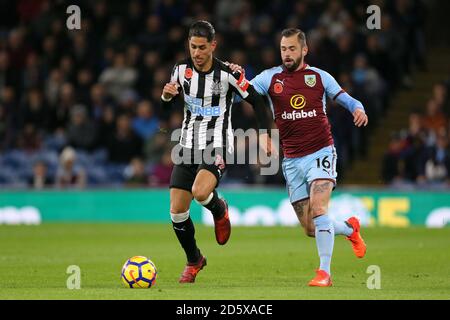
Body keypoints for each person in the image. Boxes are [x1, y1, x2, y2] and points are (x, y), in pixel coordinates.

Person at [229, 28, 368, 287]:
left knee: (319, 209)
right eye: (283, 49)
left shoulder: (319, 77)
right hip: (292, 160)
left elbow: (348, 100)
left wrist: (358, 109)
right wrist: (235, 79)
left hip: (321, 151)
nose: (287, 54)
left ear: (304, 50)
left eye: (292, 48)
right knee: (310, 228)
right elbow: (240, 97)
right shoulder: (269, 78)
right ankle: (350, 229)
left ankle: (324, 273)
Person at [161, 20, 273, 283]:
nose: (197, 53)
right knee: (177, 213)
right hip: (187, 145)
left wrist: (265, 133)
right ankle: (194, 260)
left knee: (200, 192)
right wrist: (166, 97)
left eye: (202, 47)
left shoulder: (228, 75)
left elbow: (256, 100)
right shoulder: (180, 71)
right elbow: (167, 106)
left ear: (213, 45)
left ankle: (218, 208)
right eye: (192, 47)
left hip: (217, 144)